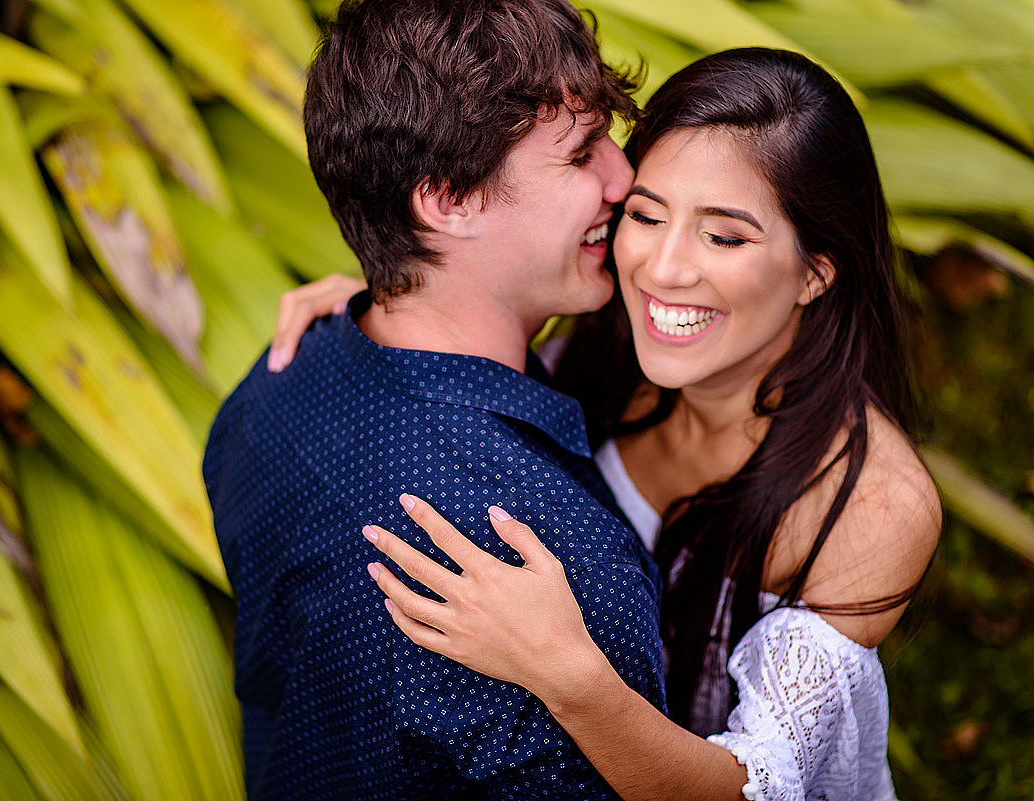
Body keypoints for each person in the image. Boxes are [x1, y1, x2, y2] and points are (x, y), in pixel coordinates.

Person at [269, 48, 942, 801]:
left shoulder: (870, 507)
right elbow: (479, 291)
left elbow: (753, 789)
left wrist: (569, 673)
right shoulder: (599, 341)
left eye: (724, 237)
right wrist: (392, 294)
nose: (662, 268)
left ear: (817, 270)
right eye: (647, 215)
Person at [202, 1, 668, 798]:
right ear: (448, 200)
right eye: (583, 152)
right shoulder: (561, 568)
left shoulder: (271, 385)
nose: (623, 179)